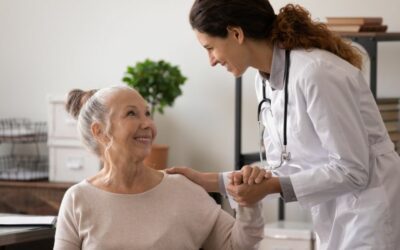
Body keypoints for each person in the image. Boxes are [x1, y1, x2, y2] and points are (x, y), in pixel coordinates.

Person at [166, 0, 400, 249]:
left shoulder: (316, 73)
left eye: (210, 48)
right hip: (335, 216)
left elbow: (353, 171)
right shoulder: (265, 81)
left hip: (370, 214)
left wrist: (269, 187)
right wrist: (208, 181)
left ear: (236, 33)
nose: (211, 60)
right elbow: (287, 164)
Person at [54, 86, 264, 250]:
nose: (147, 124)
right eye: (131, 114)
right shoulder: (77, 199)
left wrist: (249, 202)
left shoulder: (182, 190)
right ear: (99, 131)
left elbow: (236, 245)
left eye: (147, 114)